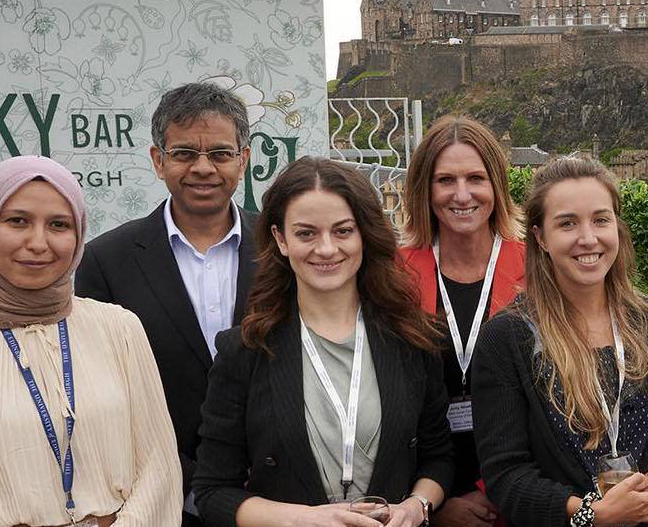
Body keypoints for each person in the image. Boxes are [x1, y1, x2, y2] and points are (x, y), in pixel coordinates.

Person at [0, 155, 182, 526]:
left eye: (58, 224)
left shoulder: (119, 328)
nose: (38, 243)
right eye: (17, 221)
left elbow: (158, 464)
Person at [192, 157, 452, 527]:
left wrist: (416, 507)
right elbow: (214, 490)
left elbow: (438, 458)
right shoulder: (246, 350)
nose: (326, 249)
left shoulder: (414, 339)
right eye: (306, 233)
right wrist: (303, 520)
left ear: (364, 235)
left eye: (343, 231)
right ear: (280, 239)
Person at [471, 158, 648, 526]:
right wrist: (592, 515)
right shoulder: (507, 338)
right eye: (567, 223)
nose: (588, 238)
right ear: (541, 238)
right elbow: (507, 476)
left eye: (600, 219)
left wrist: (640, 496)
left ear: (617, 227)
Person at [76, 82, 257, 526]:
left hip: (276, 494)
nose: (203, 168)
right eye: (183, 154)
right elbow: (103, 396)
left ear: (244, 159)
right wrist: (185, 484)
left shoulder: (284, 249)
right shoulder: (106, 261)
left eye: (219, 153)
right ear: (158, 161)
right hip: (163, 500)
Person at [398, 115, 526, 527]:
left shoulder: (537, 268)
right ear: (424, 188)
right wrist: (437, 504)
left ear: (496, 186)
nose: (462, 194)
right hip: (424, 495)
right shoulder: (394, 275)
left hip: (522, 490)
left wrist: (494, 492)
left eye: (476, 178)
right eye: (445, 180)